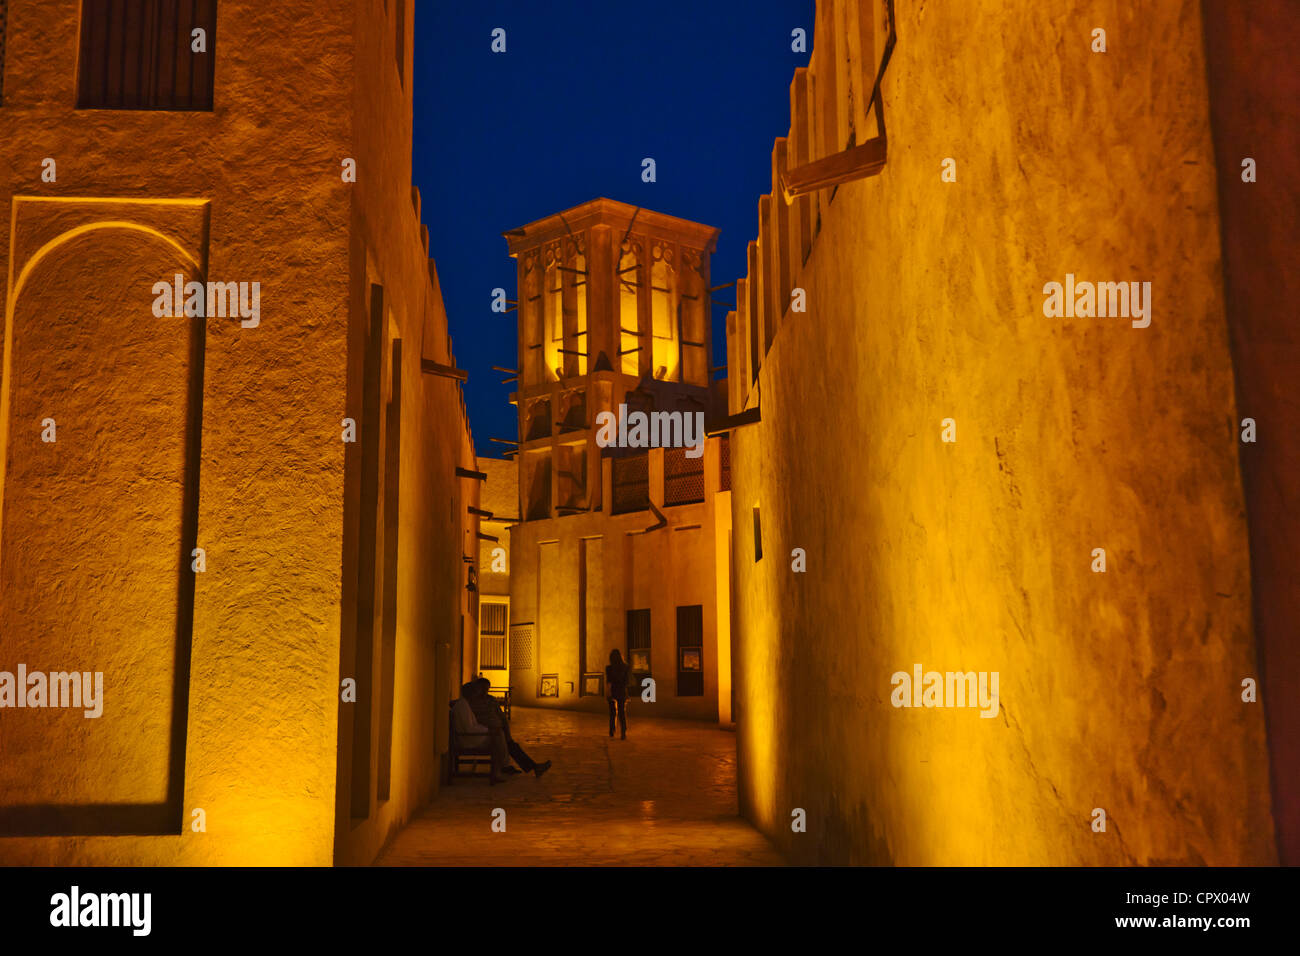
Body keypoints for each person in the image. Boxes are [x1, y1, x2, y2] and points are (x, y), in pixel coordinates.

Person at [470, 678, 551, 778]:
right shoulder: (472, 702)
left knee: (511, 744)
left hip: (498, 730)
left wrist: (507, 733)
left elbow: (503, 718)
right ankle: (528, 767)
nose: (484, 691)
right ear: (477, 689)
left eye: (486, 689)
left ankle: (532, 767)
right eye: (482, 688)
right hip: (487, 733)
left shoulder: (491, 700)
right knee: (511, 745)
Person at [452, 681, 509, 784]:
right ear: (472, 694)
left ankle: (501, 767)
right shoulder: (463, 706)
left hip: (472, 735)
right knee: (496, 739)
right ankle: (498, 770)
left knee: (498, 734)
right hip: (468, 739)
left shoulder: (464, 704)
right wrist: (487, 730)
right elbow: (469, 729)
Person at [606, 649, 629, 739]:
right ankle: (623, 732)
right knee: (621, 712)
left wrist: (608, 692)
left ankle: (612, 730)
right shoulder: (625, 667)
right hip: (622, 691)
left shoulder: (609, 668)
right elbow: (627, 681)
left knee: (612, 712)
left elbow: (608, 682)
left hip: (612, 691)